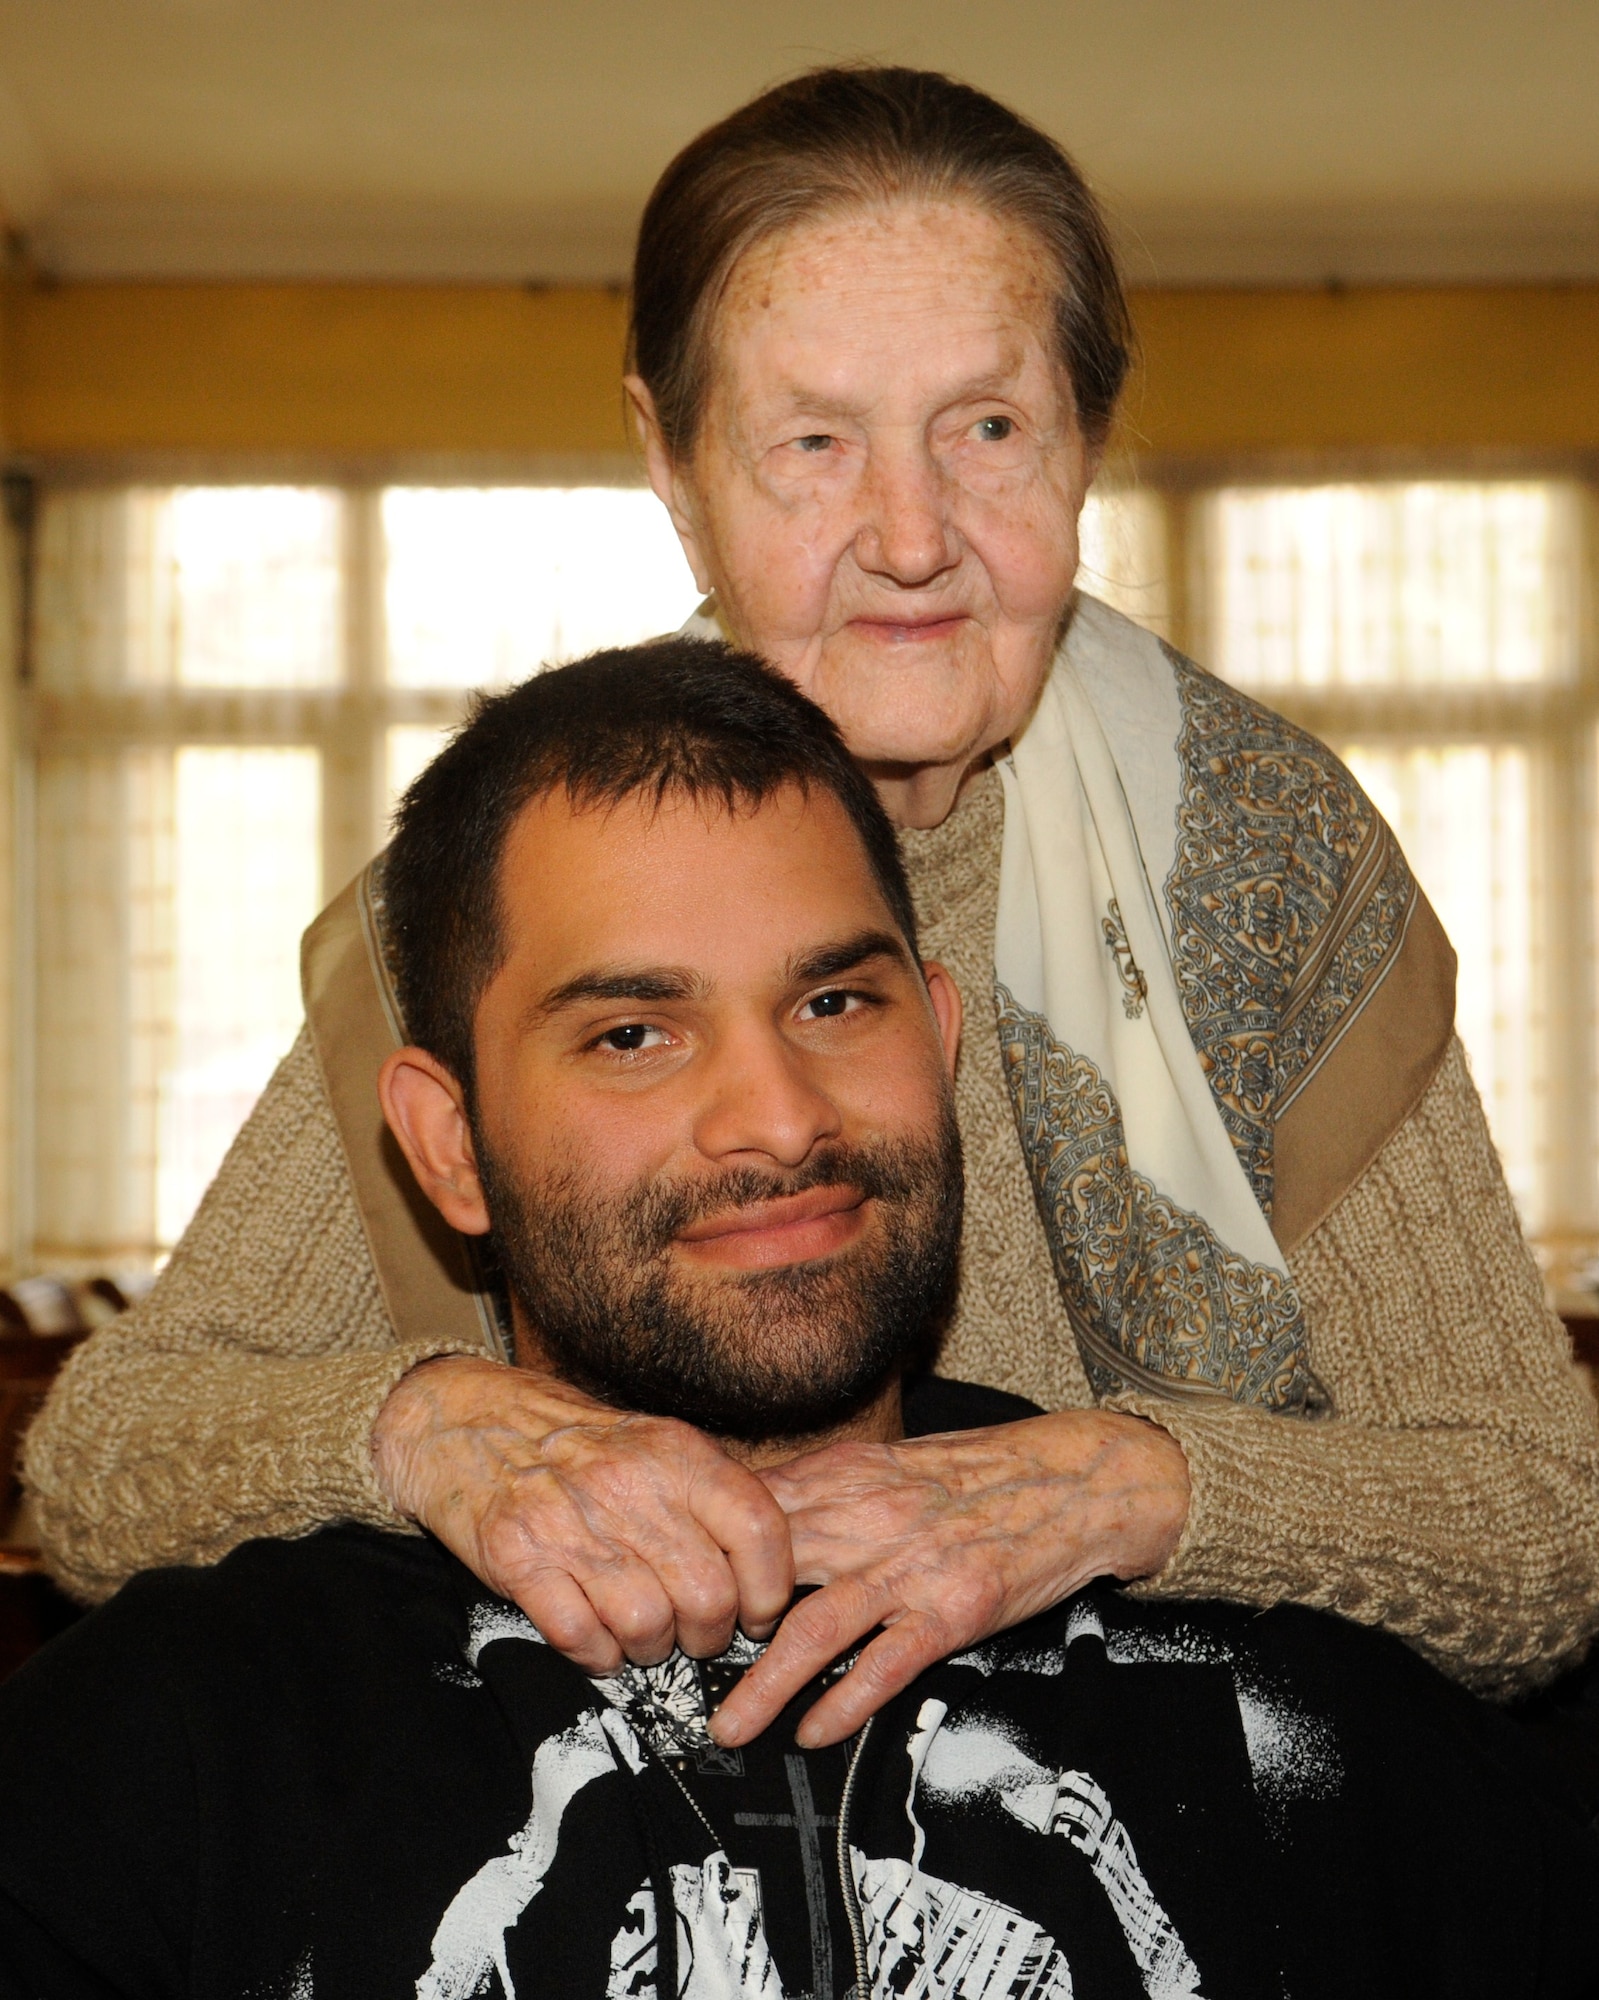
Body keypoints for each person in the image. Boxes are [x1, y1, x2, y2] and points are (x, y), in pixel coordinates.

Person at [23, 68, 1599, 1752]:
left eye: (987, 430)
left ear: (1086, 444)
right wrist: (440, 1431)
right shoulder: (520, 877)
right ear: (671, 462)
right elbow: (106, 1465)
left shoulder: (1267, 854)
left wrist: (1120, 1486)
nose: (911, 541)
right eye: (814, 444)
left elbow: (1543, 1526)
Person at [3, 644, 1594, 2000]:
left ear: (941, 1041)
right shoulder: (201, 1736)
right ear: (449, 1145)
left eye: (836, 1003)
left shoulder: (1284, 1714)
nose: (777, 1117)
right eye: (633, 1034)